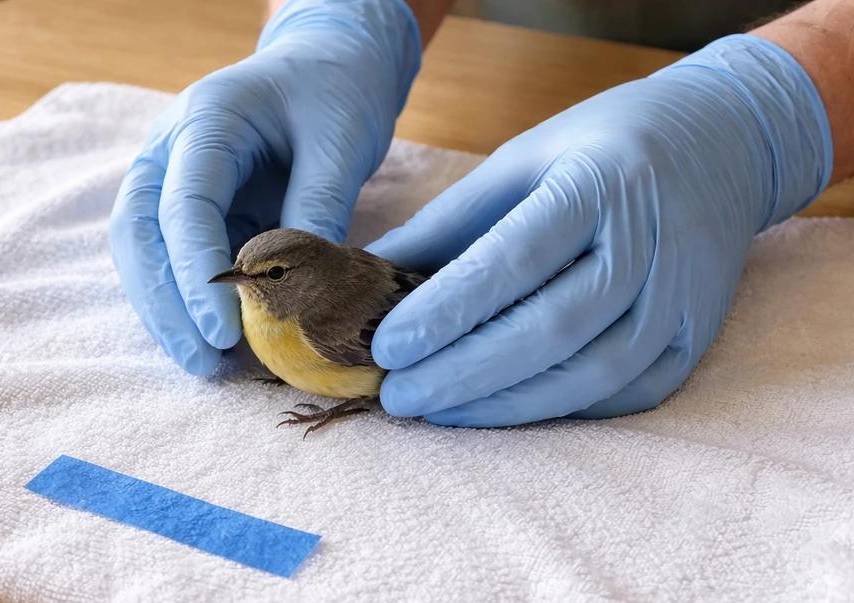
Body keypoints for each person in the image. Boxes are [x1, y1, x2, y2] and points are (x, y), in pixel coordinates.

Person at [108, 0, 850, 428]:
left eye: (259, 276)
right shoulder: (270, 306)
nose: (239, 281)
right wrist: (341, 17)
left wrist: (774, 106)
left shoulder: (313, 320)